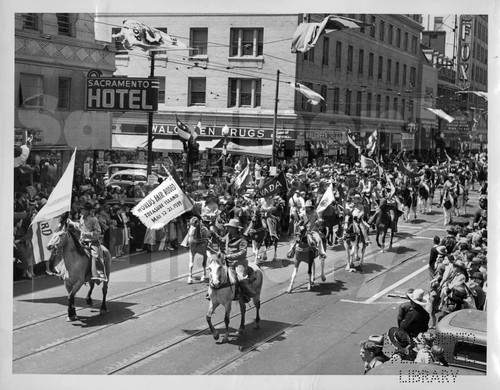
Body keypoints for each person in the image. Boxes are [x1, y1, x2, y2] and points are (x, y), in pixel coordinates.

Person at [66, 202, 107, 282]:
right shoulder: (81, 218)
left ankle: (100, 275)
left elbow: (98, 232)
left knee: (95, 256)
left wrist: (88, 234)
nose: (80, 210)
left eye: (82, 209)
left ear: (87, 211)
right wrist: (71, 222)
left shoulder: (94, 219)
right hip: (81, 241)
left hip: (92, 242)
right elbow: (79, 227)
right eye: (80, 208)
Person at [221, 218, 256, 303]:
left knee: (241, 278)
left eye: (230, 227)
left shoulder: (242, 239)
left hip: (239, 262)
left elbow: (243, 253)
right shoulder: (228, 236)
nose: (228, 229)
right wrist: (213, 236)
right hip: (227, 261)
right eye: (228, 227)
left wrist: (229, 256)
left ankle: (249, 293)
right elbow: (221, 240)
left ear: (235, 229)